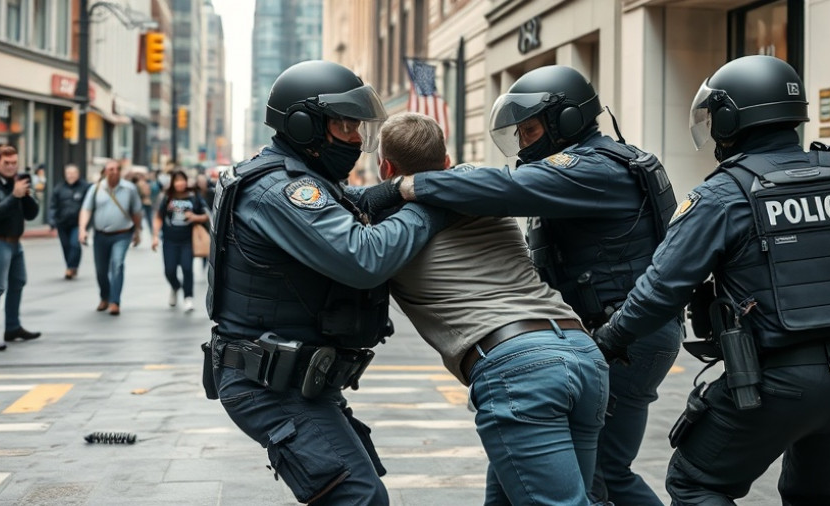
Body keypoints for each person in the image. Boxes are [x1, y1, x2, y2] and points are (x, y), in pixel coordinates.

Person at [364, 65, 683, 505]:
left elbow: (506, 186)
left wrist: (400, 188)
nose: (522, 143)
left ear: (566, 121)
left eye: (529, 130)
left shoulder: (591, 168)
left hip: (621, 336)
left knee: (605, 478)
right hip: (592, 340)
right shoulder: (590, 167)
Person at [593, 55, 830, 505]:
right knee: (820, 496)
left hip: (777, 379)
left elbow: (660, 289)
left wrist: (609, 338)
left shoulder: (724, 192)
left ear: (729, 117)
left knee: (696, 482)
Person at [206, 60, 454, 506]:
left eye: (357, 125)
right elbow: (364, 257)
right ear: (304, 125)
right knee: (358, 497)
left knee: (359, 493)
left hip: (296, 378)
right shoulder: (281, 190)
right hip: (269, 384)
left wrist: (400, 189)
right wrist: (427, 204)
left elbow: (354, 201)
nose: (357, 138)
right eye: (344, 125)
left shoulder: (300, 179)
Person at [375, 112, 609, 505]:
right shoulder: (481, 191)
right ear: (447, 162)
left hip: (519, 371)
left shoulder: (388, 225)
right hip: (581, 351)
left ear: (385, 166)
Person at [0, 145, 41, 351]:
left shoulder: (17, 182)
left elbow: (31, 214)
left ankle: (12, 327)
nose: (11, 167)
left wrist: (25, 195)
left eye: (14, 163)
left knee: (18, 282)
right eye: (7, 163)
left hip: (14, 241)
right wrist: (14, 196)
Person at [78, 159, 143, 316]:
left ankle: (115, 301)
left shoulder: (129, 189)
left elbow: (136, 211)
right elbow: (86, 210)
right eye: (110, 169)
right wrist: (82, 229)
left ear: (120, 171)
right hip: (100, 235)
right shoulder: (95, 189)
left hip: (122, 234)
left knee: (117, 264)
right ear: (105, 172)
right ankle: (104, 297)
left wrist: (137, 232)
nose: (114, 172)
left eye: (116, 169)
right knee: (101, 270)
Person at [151, 170, 208, 312]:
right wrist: (155, 236)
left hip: (188, 240)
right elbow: (158, 217)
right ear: (172, 183)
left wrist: (195, 217)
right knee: (169, 271)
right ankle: (176, 287)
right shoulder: (166, 197)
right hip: (169, 240)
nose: (180, 183)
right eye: (176, 180)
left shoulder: (194, 196)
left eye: (182, 180)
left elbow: (206, 215)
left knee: (187, 268)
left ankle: (188, 297)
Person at [48, 164, 90, 279]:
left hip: (78, 223)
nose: (71, 176)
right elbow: (53, 206)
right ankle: (70, 266)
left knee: (74, 244)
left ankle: (72, 267)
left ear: (78, 174)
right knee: (66, 246)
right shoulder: (59, 188)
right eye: (68, 173)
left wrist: (87, 225)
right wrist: (52, 220)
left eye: (73, 173)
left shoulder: (85, 187)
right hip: (62, 222)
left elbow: (89, 207)